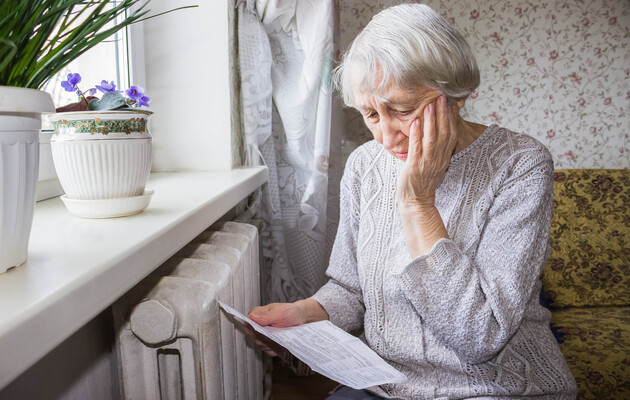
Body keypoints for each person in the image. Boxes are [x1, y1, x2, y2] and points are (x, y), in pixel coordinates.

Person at [248, 4, 577, 399]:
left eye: (402, 110)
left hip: (497, 387)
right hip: (389, 385)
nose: (385, 138)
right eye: (370, 114)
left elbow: (480, 336)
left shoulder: (520, 164)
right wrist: (306, 313)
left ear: (454, 94)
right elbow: (350, 290)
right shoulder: (364, 166)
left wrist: (418, 204)